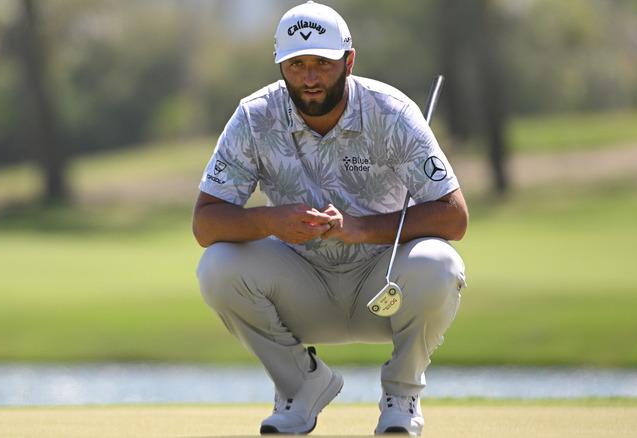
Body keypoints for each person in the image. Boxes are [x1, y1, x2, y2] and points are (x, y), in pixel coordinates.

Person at [193, 1, 467, 435]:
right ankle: (302, 387)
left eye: (322, 62)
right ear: (281, 65)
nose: (309, 78)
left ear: (348, 61)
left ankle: (402, 395)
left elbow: (454, 217)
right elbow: (205, 223)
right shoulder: (254, 116)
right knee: (216, 267)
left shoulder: (392, 111)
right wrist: (270, 220)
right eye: (297, 64)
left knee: (441, 262)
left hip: (383, 284)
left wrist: (361, 229)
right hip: (300, 287)